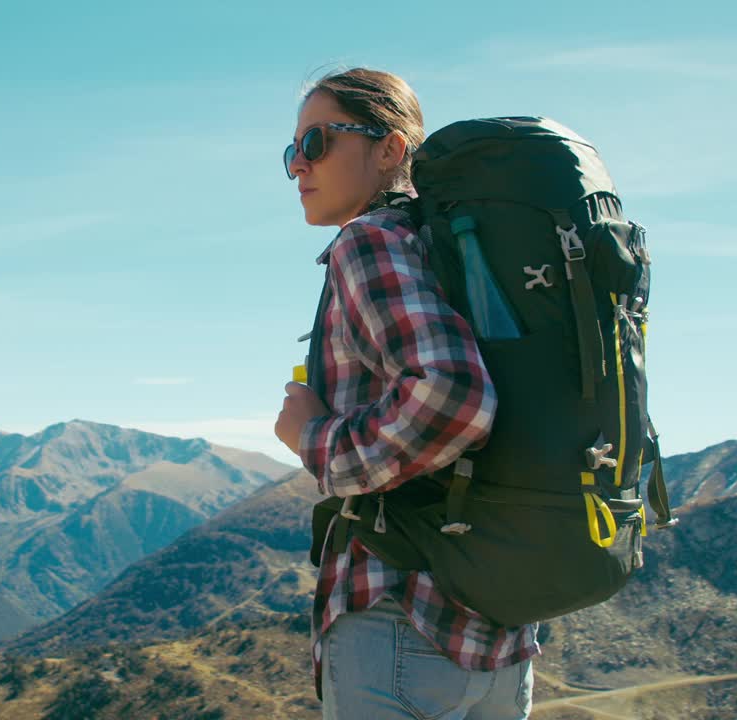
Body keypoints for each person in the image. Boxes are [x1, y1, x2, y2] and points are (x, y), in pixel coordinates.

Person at [274, 68, 540, 720]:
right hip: (500, 626)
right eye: (291, 152)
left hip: (399, 619)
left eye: (316, 143)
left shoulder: (370, 242)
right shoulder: (452, 249)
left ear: (391, 150)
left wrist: (312, 436)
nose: (297, 168)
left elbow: (454, 396)